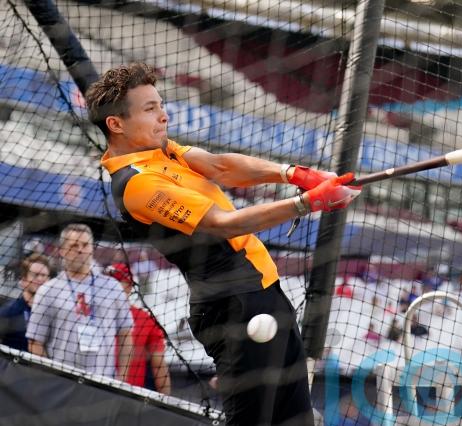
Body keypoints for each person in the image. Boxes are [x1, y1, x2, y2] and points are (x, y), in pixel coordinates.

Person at [88, 63, 360, 426]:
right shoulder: (136, 183)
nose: (164, 115)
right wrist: (307, 203)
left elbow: (220, 167)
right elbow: (224, 224)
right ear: (116, 124)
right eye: (150, 109)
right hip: (233, 308)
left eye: (161, 105)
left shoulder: (161, 150)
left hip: (263, 292)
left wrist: (294, 174)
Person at [26, 224, 134, 381]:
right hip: (62, 383)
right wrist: (51, 379)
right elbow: (35, 342)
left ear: (92, 249)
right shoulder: (48, 290)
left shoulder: (112, 287)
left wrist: (122, 379)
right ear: (62, 251)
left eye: (85, 245)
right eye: (74, 246)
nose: (80, 250)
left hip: (103, 383)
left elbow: (126, 334)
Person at [104, 263, 171, 394]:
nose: (108, 287)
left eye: (115, 283)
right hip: (126, 396)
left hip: (112, 392)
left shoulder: (145, 319)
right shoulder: (145, 318)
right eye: (106, 282)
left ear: (129, 287)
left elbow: (159, 365)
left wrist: (166, 399)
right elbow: (159, 366)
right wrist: (166, 400)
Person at [0, 253, 51, 351]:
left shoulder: (52, 312)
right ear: (23, 280)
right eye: (35, 275)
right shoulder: (10, 311)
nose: (40, 279)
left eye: (43, 275)